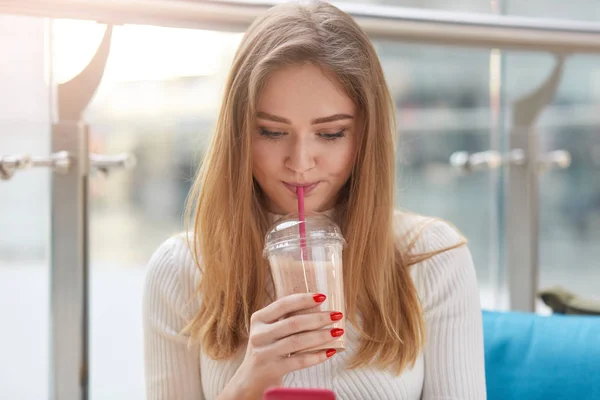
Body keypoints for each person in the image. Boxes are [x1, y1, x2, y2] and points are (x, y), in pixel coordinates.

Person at [142, 1, 487, 399]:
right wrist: (248, 383)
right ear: (238, 135)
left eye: (331, 133)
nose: (300, 163)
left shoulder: (431, 256)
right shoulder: (181, 269)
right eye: (272, 132)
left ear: (366, 136)